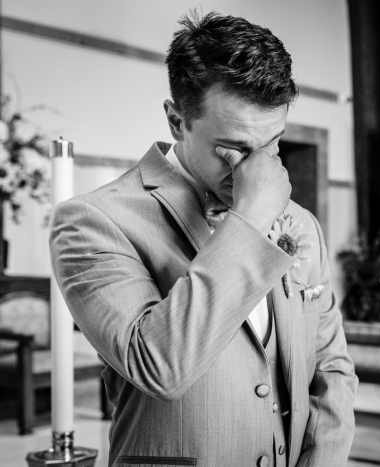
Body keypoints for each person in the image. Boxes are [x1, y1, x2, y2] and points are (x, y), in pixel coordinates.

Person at [50, 12, 357, 467]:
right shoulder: (93, 221)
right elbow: (160, 366)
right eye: (233, 149)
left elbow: (330, 370)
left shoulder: (301, 223)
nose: (256, 170)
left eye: (272, 143)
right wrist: (249, 220)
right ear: (177, 121)